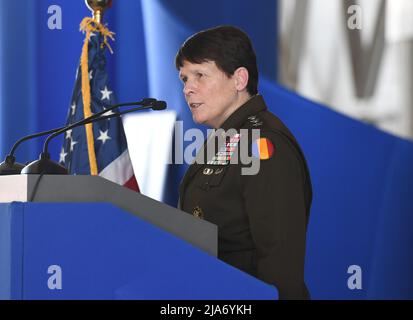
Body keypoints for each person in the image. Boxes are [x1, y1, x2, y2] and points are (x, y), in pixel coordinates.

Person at [175, 25, 313, 300]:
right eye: (184, 79)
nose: (188, 89)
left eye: (200, 75)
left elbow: (279, 257)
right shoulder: (228, 140)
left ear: (239, 79)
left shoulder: (263, 143)